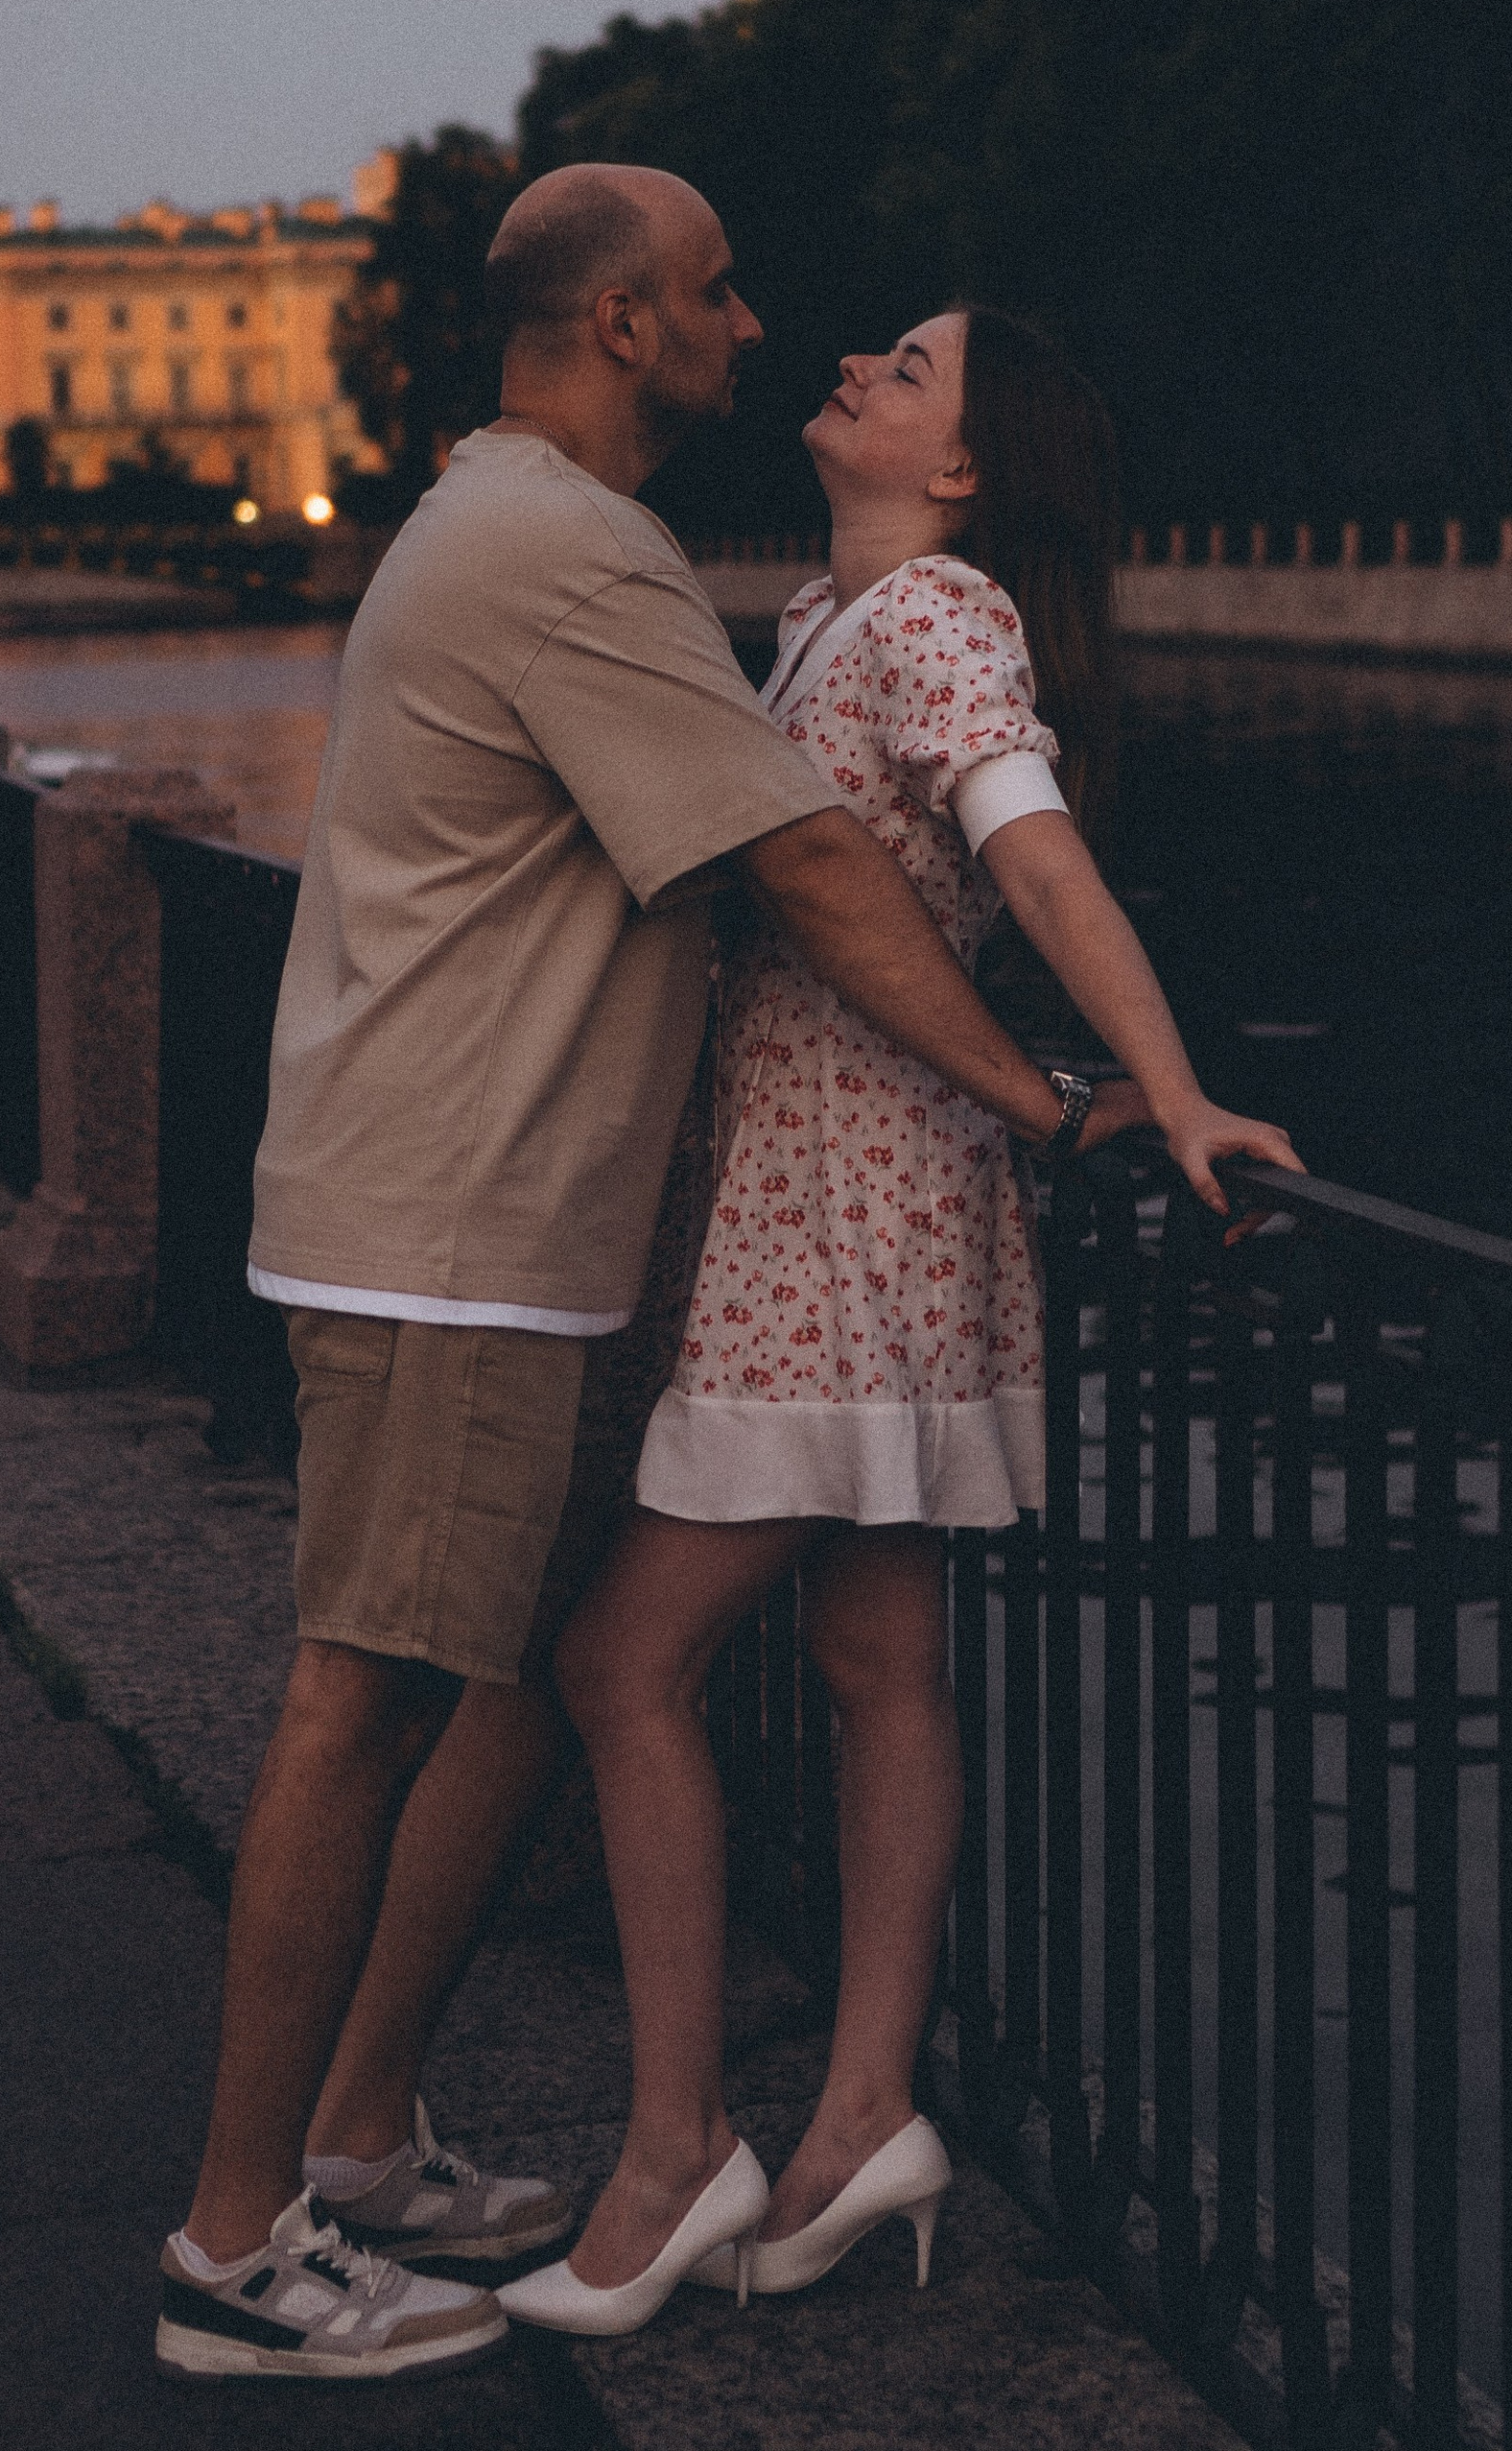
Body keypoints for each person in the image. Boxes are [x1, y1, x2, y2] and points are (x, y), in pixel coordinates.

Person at [156, 184, 1149, 2385]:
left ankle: (366, 2122)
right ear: (622, 323)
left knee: (516, 1674)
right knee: (370, 1690)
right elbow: (800, 862)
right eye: (712, 294)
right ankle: (236, 2249)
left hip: (523, 1219)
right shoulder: (575, 558)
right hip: (457, 1228)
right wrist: (1050, 1100)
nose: (754, 321)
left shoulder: (521, 525)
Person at [505, 306, 1301, 2339]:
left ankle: (676, 2151)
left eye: (911, 367)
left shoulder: (937, 612)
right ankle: (865, 2112)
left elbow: (1033, 857)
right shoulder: (819, 620)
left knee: (618, 1662)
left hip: (840, 1213)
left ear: (963, 471)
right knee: (874, 1653)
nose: (859, 365)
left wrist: (1173, 1084)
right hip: (849, 1196)